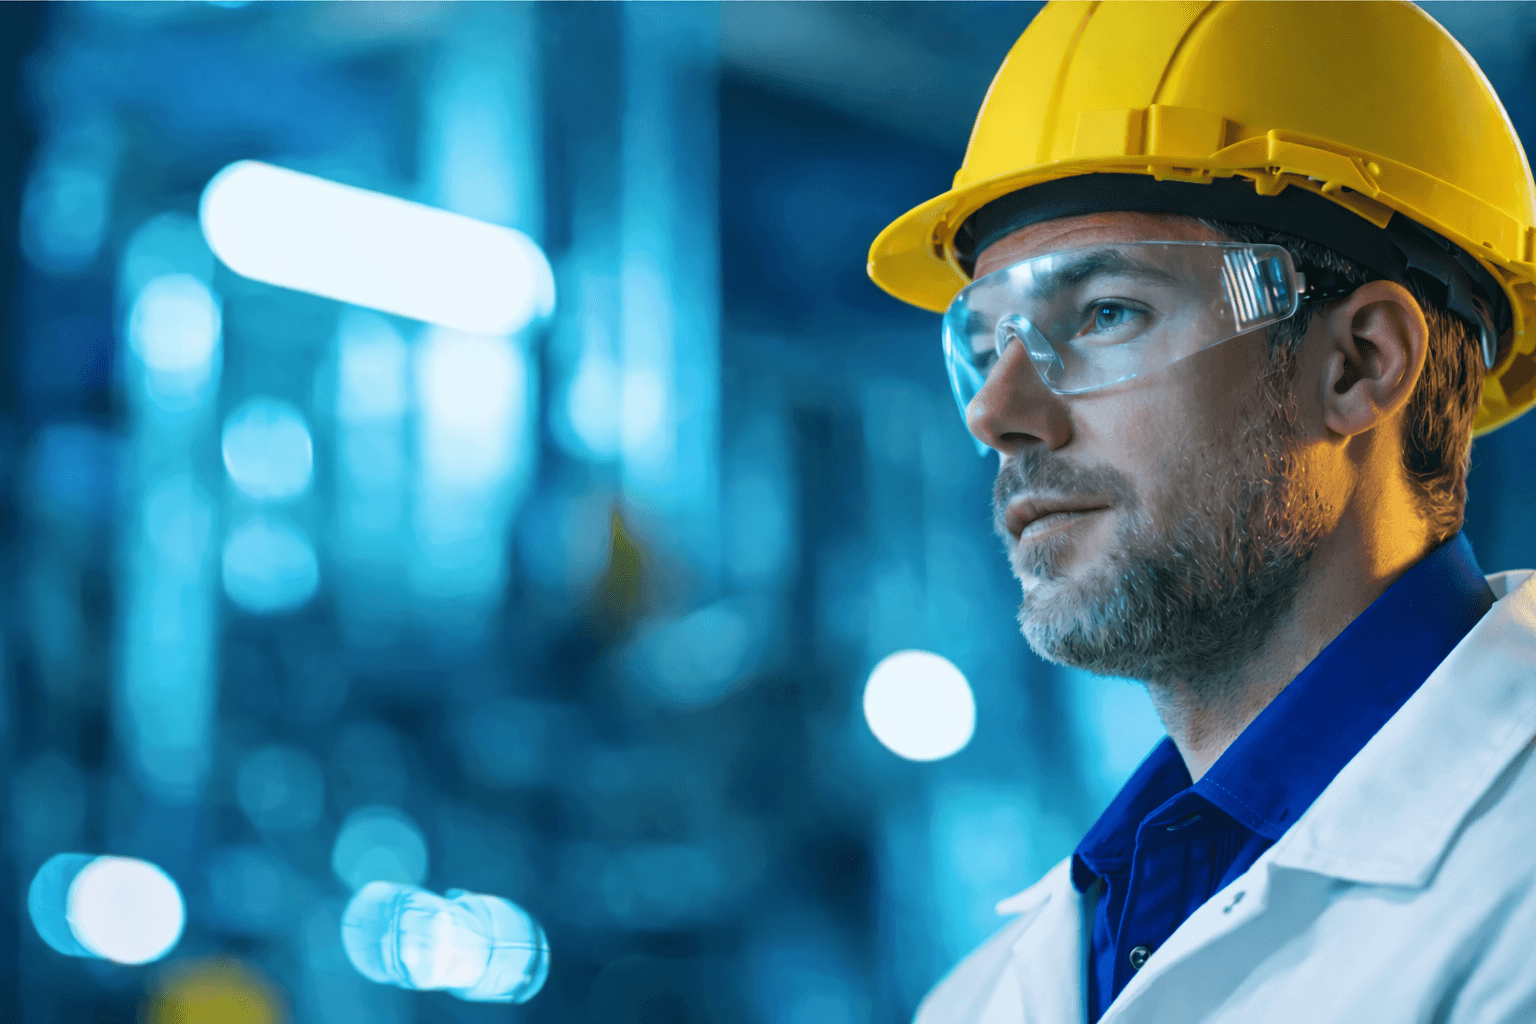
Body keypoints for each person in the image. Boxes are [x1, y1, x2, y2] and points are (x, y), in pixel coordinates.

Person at [866, 3, 1536, 1022]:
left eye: (1105, 314)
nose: (998, 412)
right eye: (988, 339)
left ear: (1360, 364)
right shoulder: (985, 995)